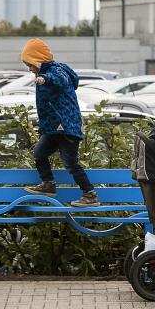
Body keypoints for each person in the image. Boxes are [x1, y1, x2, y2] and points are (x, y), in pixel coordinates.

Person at [20, 38, 98, 207]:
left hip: (66, 128)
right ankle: (48, 184)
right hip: (53, 129)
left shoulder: (56, 70)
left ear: (38, 60)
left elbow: (61, 79)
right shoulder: (44, 73)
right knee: (39, 153)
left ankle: (90, 195)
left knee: (70, 163)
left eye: (30, 64)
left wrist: (45, 78)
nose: (29, 69)